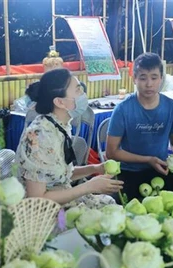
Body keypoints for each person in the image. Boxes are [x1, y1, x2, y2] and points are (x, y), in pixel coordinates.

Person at [15, 68, 123, 208]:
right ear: (60, 102)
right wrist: (89, 187)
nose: (83, 95)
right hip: (42, 213)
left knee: (110, 204)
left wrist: (94, 168)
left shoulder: (58, 125)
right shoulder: (39, 137)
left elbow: (59, 176)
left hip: (61, 198)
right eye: (78, 91)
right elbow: (37, 198)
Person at [106, 53, 173, 201]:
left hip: (162, 170)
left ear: (161, 79)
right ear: (134, 79)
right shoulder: (122, 109)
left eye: (154, 78)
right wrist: (148, 159)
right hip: (129, 172)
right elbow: (111, 152)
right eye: (143, 78)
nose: (149, 84)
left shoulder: (171, 107)